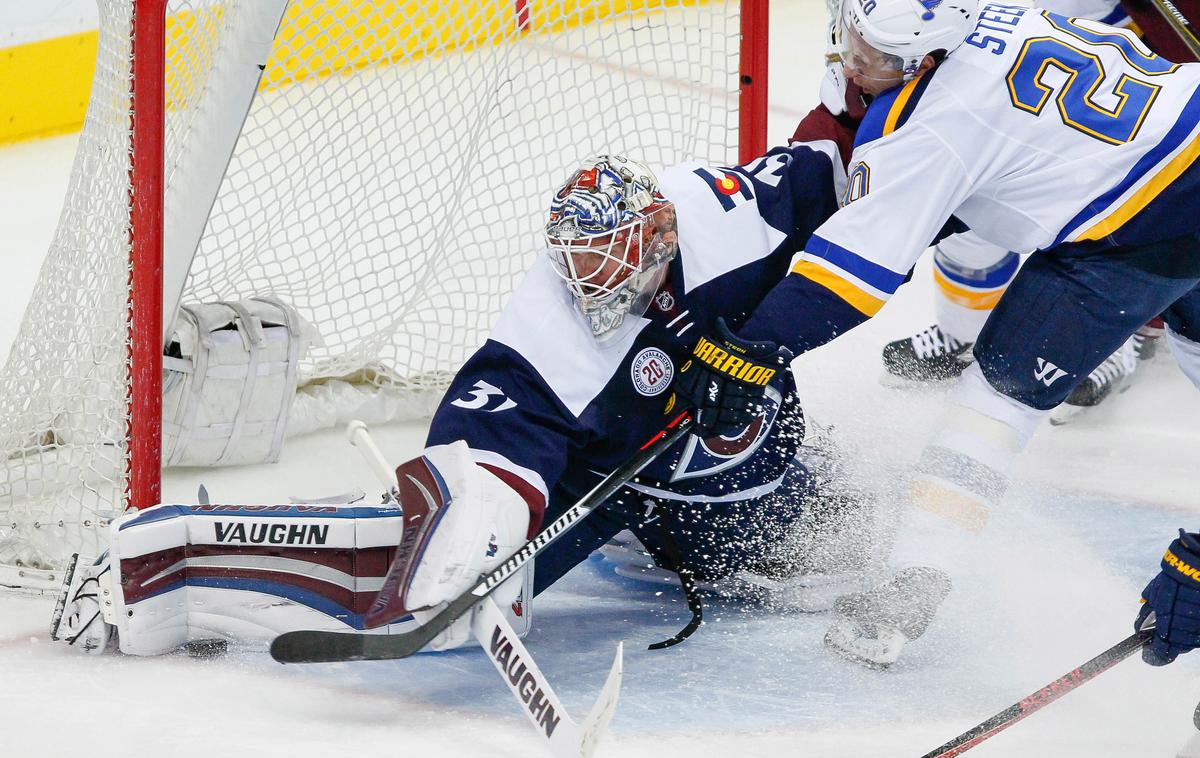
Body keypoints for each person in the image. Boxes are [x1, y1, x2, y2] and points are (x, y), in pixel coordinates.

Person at [51, 144, 869, 656]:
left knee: (821, 549)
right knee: (420, 592)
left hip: (748, 477)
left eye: (610, 260)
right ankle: (168, 565)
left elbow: (841, 177)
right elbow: (485, 432)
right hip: (609, 489)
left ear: (657, 232)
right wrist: (469, 511)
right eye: (578, 264)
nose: (594, 285)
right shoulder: (550, 331)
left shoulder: (721, 220)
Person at [674, 0, 1200, 668]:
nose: (856, 61)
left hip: (1149, 219)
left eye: (878, 56)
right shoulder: (984, 18)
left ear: (924, 59)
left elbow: (851, 277)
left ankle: (907, 590)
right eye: (855, 39)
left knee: (997, 396)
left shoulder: (933, 120)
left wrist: (751, 352)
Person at [878, 0, 1187, 424]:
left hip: (1119, 95)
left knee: (1139, 212)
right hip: (1011, 73)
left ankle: (1127, 335)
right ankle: (964, 332)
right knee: (970, 212)